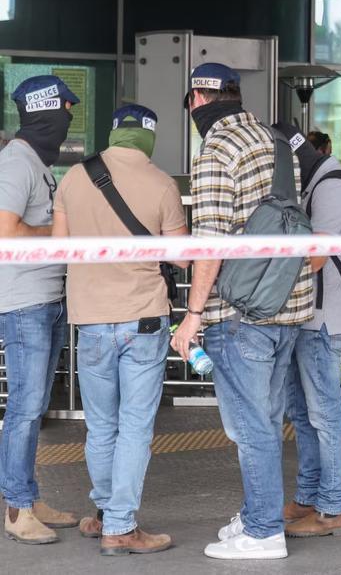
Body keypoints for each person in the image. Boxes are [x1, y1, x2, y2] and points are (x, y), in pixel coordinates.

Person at [169, 63, 314, 560]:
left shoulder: (216, 150)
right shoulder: (274, 141)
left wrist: (192, 315)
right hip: (288, 302)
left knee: (249, 427)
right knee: (266, 420)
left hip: (239, 312)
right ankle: (259, 516)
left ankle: (263, 533)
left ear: (196, 101)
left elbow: (209, 245)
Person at [52, 104, 187, 555]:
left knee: (101, 425)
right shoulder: (162, 183)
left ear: (114, 134)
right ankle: (120, 525)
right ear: (150, 136)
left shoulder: (73, 177)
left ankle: (107, 511)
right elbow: (183, 258)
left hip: (89, 319)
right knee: (134, 426)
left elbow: (59, 248)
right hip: (143, 318)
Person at [0, 76, 81, 545]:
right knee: (26, 409)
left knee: (36, 408)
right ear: (50, 111)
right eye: (68, 109)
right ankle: (16, 508)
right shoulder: (16, 163)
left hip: (44, 298)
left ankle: (28, 494)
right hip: (23, 302)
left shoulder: (36, 162)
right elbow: (6, 232)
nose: (71, 116)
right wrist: (58, 236)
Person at [269, 121, 341, 539]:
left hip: (326, 320)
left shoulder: (334, 187)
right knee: (302, 414)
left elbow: (316, 260)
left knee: (325, 414)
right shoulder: (315, 183)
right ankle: (308, 497)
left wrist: (265, 269)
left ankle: (333, 508)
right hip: (305, 317)